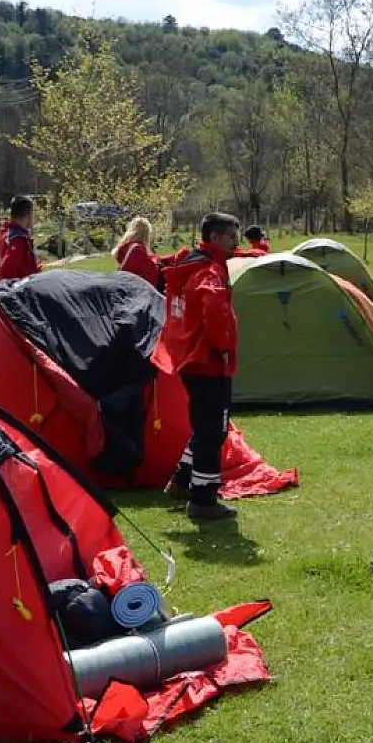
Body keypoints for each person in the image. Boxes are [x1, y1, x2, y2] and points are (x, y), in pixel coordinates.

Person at [158, 212, 244, 522]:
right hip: (207, 361)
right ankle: (203, 499)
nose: (236, 243)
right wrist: (223, 347)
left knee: (204, 426)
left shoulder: (189, 265)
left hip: (188, 358)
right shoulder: (209, 270)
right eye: (232, 236)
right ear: (217, 237)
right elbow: (214, 309)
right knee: (213, 431)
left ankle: (182, 482)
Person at [0, 195, 42, 285]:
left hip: (2, 291)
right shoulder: (18, 240)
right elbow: (7, 269)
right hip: (20, 294)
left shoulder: (4, 233)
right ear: (29, 214)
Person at [113, 216, 161, 289]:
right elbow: (150, 270)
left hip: (122, 285)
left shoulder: (127, 247)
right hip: (133, 289)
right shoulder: (136, 249)